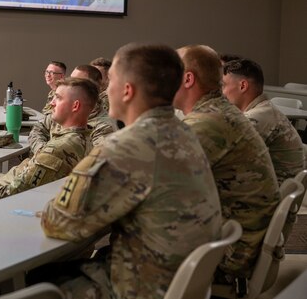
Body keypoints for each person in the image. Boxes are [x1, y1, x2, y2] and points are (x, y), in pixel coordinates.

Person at [40, 43, 221, 299]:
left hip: (137, 287)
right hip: (175, 280)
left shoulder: (126, 147)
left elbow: (57, 223)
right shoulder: (185, 133)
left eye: (110, 80)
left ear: (127, 91)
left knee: (31, 282)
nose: (104, 89)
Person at [174, 45, 279, 283]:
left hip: (230, 253)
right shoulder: (218, 113)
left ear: (187, 79)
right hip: (237, 236)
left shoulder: (208, 123)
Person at [0, 77, 96, 210]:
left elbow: (12, 195)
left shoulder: (57, 150)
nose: (52, 102)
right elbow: (30, 177)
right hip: (22, 194)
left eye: (58, 98)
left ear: (75, 106)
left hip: (10, 207)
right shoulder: (85, 139)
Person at [222, 58, 304, 185]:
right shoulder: (264, 109)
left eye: (223, 85)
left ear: (243, 86)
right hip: (274, 187)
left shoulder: (259, 117)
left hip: (273, 195)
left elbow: (223, 156)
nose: (221, 92)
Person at [29, 65, 116, 157]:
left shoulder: (104, 127)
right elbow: (38, 129)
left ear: (91, 87)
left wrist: (50, 156)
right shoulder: (64, 112)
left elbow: (95, 161)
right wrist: (42, 151)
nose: (69, 82)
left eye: (76, 81)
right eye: (70, 78)